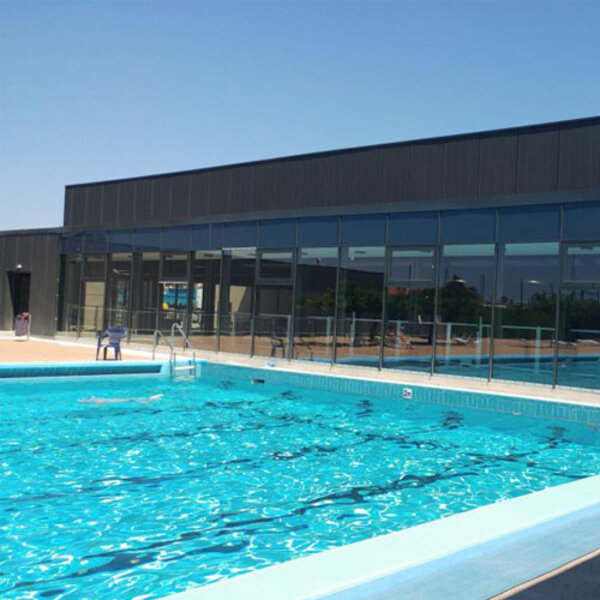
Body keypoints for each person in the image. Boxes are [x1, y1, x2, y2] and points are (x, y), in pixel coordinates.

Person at [79, 393, 164, 405]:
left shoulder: (99, 401)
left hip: (126, 400)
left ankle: (154, 397)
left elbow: (97, 404)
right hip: (124, 399)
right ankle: (153, 397)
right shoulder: (99, 400)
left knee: (147, 401)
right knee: (144, 400)